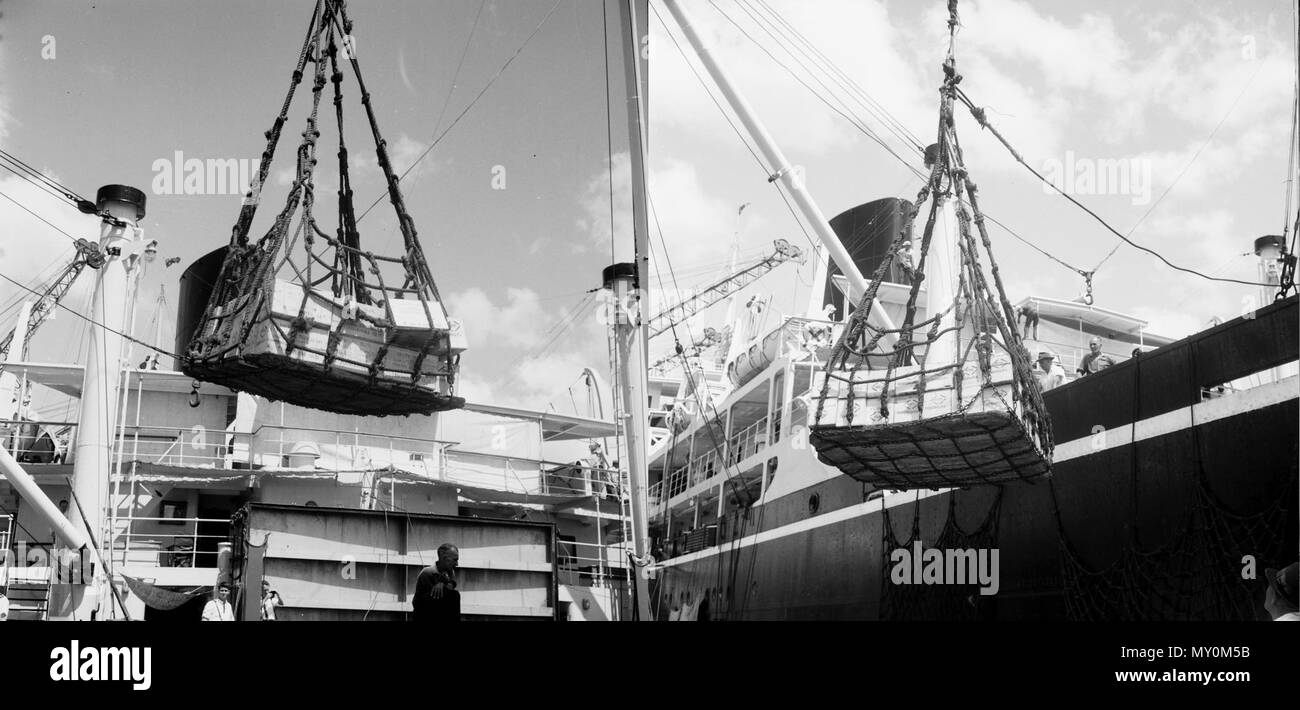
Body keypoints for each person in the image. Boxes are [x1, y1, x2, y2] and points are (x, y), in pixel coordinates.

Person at [412, 543, 460, 621]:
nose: (457, 564)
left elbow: (452, 584)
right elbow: (432, 600)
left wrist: (443, 584)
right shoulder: (427, 573)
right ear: (444, 558)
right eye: (455, 560)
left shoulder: (450, 572)